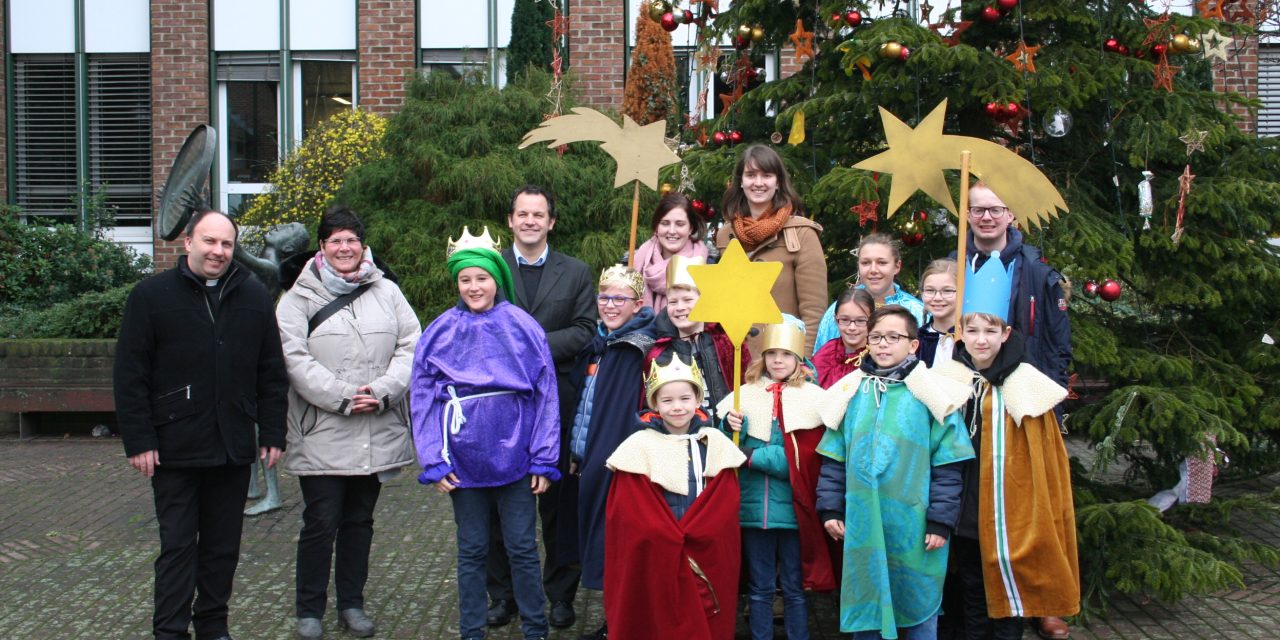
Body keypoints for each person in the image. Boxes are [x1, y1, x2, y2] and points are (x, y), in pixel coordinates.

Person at [113, 209, 289, 640]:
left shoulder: (253, 295)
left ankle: (213, 626)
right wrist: (139, 440)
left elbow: (271, 370)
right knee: (177, 548)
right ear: (188, 242)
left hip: (231, 444)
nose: (218, 251)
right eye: (210, 241)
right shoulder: (150, 296)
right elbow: (130, 374)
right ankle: (170, 631)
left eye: (227, 244)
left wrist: (271, 432)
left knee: (222, 548)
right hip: (174, 447)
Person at [275, 206, 422, 639]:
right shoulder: (297, 298)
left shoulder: (387, 292)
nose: (345, 248)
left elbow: (412, 344)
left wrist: (382, 391)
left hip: (375, 426)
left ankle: (352, 605)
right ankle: (309, 610)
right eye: (335, 240)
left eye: (352, 240)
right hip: (322, 429)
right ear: (321, 247)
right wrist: (342, 397)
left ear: (363, 246)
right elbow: (292, 357)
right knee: (321, 522)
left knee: (360, 522)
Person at [410, 227, 561, 640]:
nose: (474, 286)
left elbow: (546, 394)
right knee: (472, 550)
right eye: (465, 279)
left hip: (515, 459)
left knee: (523, 549)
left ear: (497, 278)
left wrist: (544, 457)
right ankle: (471, 630)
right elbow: (422, 398)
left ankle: (535, 628)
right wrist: (432, 459)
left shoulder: (523, 326)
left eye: (481, 277)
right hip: (463, 460)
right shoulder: (439, 332)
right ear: (456, 282)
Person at [932, 255, 1079, 639]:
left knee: (1010, 603)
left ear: (1006, 332)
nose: (981, 339)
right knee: (973, 595)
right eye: (973, 330)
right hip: (964, 508)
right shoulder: (950, 376)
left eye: (990, 330)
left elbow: (1045, 462)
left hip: (1010, 514)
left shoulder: (1027, 384)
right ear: (961, 331)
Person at [815, 305, 973, 639]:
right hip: (863, 524)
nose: (883, 344)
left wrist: (941, 520)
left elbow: (948, 465)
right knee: (868, 607)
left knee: (916, 606)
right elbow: (834, 457)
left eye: (893, 337)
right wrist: (830, 507)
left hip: (914, 526)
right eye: (876, 337)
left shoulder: (932, 395)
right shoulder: (852, 391)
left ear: (913, 345)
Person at [963, 182, 1074, 640]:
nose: (986, 218)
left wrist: (1046, 402)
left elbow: (1054, 341)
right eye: (977, 210)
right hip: (972, 395)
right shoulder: (958, 262)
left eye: (995, 209)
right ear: (967, 216)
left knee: (1026, 509)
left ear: (1010, 215)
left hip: (1023, 398)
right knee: (974, 507)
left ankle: (1036, 600)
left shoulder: (1036, 272)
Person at [489, 185, 596, 630]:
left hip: (559, 402)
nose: (530, 221)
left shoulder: (574, 272)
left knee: (558, 507)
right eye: (522, 214)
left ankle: (560, 595)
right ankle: (503, 595)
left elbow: (586, 329)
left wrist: (531, 344)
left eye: (539, 214)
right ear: (510, 221)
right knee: (499, 503)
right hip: (499, 407)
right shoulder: (490, 271)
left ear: (551, 222)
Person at [602, 355, 745, 640]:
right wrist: (664, 535)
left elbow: (724, 504)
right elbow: (630, 511)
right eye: (666, 401)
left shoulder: (714, 442)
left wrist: (701, 532)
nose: (677, 407)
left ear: (697, 400)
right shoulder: (638, 446)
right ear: (654, 404)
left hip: (703, 551)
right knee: (659, 616)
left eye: (684, 398)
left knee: (704, 616)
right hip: (657, 552)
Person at [721, 315, 834, 640]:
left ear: (798, 359)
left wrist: (753, 456)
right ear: (763, 357)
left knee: (795, 588)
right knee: (759, 587)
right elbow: (727, 449)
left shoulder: (814, 398)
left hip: (794, 512)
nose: (778, 360)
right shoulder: (746, 394)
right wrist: (730, 428)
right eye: (772, 354)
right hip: (753, 512)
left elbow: (802, 458)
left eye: (785, 354)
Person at [567, 265, 655, 640]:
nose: (610, 305)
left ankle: (620, 627)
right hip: (590, 456)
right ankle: (615, 624)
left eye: (620, 298)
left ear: (638, 305)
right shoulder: (598, 343)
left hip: (619, 462)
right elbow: (586, 404)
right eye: (604, 297)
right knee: (602, 545)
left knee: (617, 548)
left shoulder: (637, 346)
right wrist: (576, 448)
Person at [715, 143, 828, 353]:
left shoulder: (802, 233)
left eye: (766, 175)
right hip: (736, 363)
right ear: (741, 182)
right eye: (750, 175)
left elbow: (814, 312)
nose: (758, 183)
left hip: (782, 361)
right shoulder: (726, 236)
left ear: (778, 182)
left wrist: (802, 362)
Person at [643, 255, 744, 424]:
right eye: (673, 302)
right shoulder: (658, 354)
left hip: (726, 436)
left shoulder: (726, 344)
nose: (680, 307)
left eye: (688, 300)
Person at [813, 233, 925, 353]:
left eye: (882, 263)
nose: (873, 270)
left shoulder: (917, 311)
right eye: (866, 263)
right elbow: (820, 359)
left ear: (897, 266)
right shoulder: (839, 310)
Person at [632, 192, 710, 310]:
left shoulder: (706, 267)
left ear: (690, 228)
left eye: (680, 224)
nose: (672, 231)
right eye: (665, 223)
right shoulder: (636, 263)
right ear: (656, 227)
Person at [812, 287, 875, 388]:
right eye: (845, 320)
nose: (852, 327)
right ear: (835, 319)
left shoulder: (876, 355)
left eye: (860, 321)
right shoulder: (826, 354)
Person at [917, 259, 959, 367]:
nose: (937, 298)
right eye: (930, 290)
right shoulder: (917, 339)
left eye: (947, 291)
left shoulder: (970, 338)